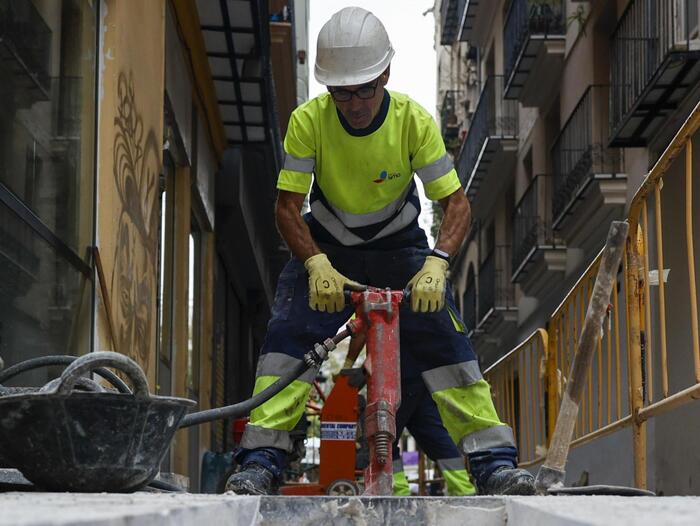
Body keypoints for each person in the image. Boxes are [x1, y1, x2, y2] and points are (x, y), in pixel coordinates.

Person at [226, 6, 535, 496]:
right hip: (326, 250)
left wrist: (438, 262)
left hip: (403, 252)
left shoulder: (413, 122)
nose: (354, 104)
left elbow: (456, 204)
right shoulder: (309, 121)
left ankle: (493, 464)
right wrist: (313, 263)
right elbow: (287, 208)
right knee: (288, 337)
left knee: (447, 344)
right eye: (341, 92)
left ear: (385, 74)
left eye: (365, 89)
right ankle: (261, 461)